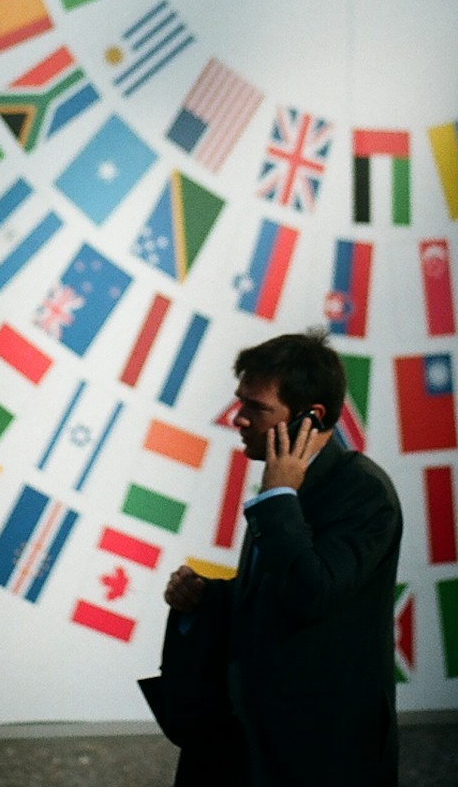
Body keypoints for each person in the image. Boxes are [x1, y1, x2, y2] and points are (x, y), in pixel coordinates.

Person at [150, 331, 402, 786]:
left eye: (256, 408)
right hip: (245, 744)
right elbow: (275, 597)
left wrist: (280, 497)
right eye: (240, 402)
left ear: (311, 416)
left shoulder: (362, 492)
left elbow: (314, 595)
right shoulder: (282, 485)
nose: (238, 419)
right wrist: (203, 598)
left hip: (316, 757)